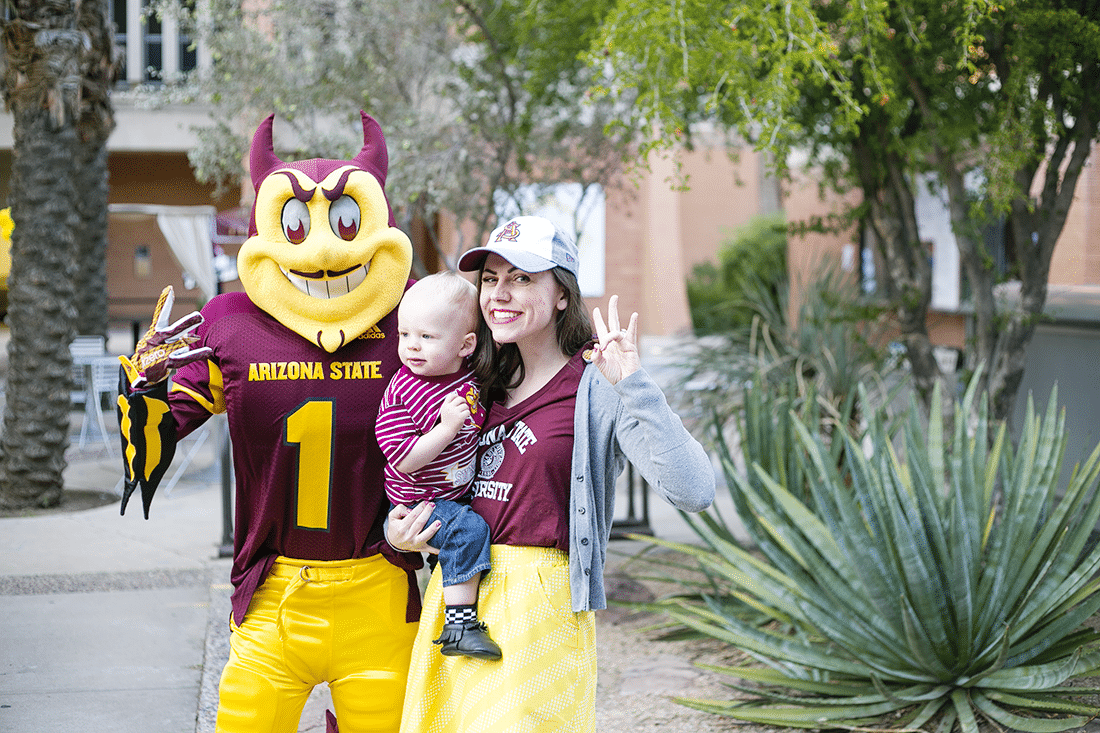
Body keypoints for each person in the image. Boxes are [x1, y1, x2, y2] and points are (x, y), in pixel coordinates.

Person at [116, 111, 421, 733]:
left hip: (384, 582)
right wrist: (145, 388)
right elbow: (149, 449)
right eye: (297, 223)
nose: (324, 248)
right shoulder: (230, 321)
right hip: (273, 589)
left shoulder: (410, 315)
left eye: (342, 221)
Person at [387, 215, 716, 730]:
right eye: (491, 279)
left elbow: (694, 490)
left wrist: (634, 384)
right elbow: (417, 475)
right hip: (459, 602)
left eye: (522, 278)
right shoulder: (472, 382)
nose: (501, 293)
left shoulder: (595, 386)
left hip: (541, 609)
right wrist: (402, 532)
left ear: (563, 294)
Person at [376, 272, 501, 660]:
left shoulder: (468, 380)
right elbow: (403, 458)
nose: (412, 346)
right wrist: (446, 429)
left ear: (466, 345)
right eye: (405, 334)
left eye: (427, 337)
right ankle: (459, 625)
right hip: (420, 500)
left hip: (454, 489)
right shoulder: (404, 390)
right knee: (468, 530)